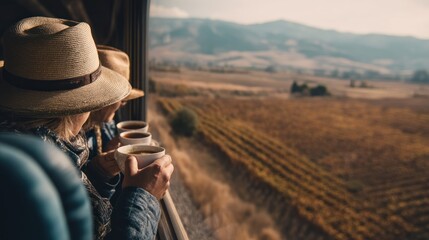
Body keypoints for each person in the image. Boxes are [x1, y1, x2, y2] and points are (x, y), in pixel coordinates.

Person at [0, 16, 174, 240]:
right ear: (78, 106)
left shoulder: (29, 149)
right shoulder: (43, 166)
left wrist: (97, 175)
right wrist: (143, 198)